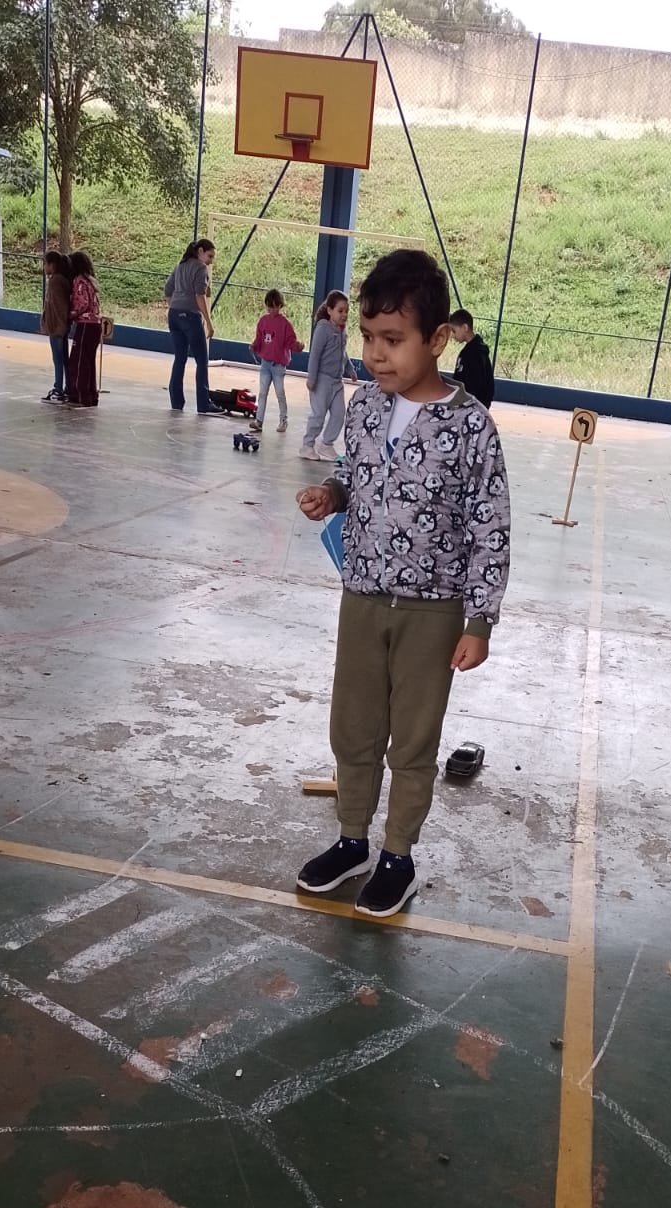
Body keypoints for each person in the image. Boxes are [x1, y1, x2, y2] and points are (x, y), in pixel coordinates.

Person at [294, 249, 511, 918]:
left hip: (433, 611)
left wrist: (480, 621)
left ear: (437, 339)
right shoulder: (364, 407)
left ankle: (398, 857)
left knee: (413, 742)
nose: (376, 354)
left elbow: (490, 526)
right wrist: (331, 494)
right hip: (362, 596)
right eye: (367, 337)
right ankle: (352, 841)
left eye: (393, 339)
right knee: (353, 727)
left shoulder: (470, 425)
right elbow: (352, 474)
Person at [165, 238, 225, 416]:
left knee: (180, 358)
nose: (211, 261)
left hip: (174, 315)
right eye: (210, 256)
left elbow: (167, 290)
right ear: (200, 251)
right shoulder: (200, 268)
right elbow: (200, 296)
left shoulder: (180, 266)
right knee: (201, 360)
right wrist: (209, 322)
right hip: (190, 316)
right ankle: (203, 403)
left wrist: (175, 305)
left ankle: (176, 401)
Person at [300, 290, 357, 461]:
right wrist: (312, 378)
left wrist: (350, 369)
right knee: (318, 415)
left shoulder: (342, 331)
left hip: (337, 381)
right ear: (330, 310)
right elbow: (315, 355)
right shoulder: (323, 328)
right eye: (340, 310)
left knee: (339, 414)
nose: (344, 314)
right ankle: (307, 445)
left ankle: (326, 444)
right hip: (322, 380)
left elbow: (342, 352)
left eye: (346, 311)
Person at [249, 288, 302, 434]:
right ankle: (259, 421)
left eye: (275, 307)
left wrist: (297, 347)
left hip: (278, 366)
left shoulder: (285, 324)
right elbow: (259, 338)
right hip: (265, 364)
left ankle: (283, 420)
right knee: (262, 393)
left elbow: (291, 341)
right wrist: (254, 346)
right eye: (269, 307)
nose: (272, 310)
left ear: (280, 306)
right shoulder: (263, 321)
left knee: (280, 393)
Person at [65, 250, 102, 407]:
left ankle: (80, 394)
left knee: (79, 361)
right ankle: (91, 395)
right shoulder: (90, 281)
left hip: (86, 325)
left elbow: (83, 303)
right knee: (88, 361)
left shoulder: (79, 281)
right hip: (95, 325)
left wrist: (71, 314)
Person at [39, 250, 73, 404]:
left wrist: (58, 326)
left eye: (45, 263)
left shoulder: (55, 282)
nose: (44, 267)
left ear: (52, 265)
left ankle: (58, 389)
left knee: (58, 359)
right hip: (60, 327)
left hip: (57, 328)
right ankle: (68, 387)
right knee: (63, 359)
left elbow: (59, 307)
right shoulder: (62, 280)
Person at [449, 310, 495, 409]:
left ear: (465, 327)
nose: (452, 336)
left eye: (454, 331)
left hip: (473, 404)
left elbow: (476, 383)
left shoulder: (475, 353)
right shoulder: (469, 351)